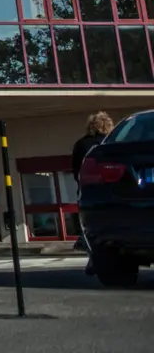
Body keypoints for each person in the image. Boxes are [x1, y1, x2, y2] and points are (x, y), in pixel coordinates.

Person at [71, 112, 114, 274]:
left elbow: (76, 171)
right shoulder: (112, 142)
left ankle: (93, 258)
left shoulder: (81, 144)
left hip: (89, 191)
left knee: (91, 228)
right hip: (113, 190)